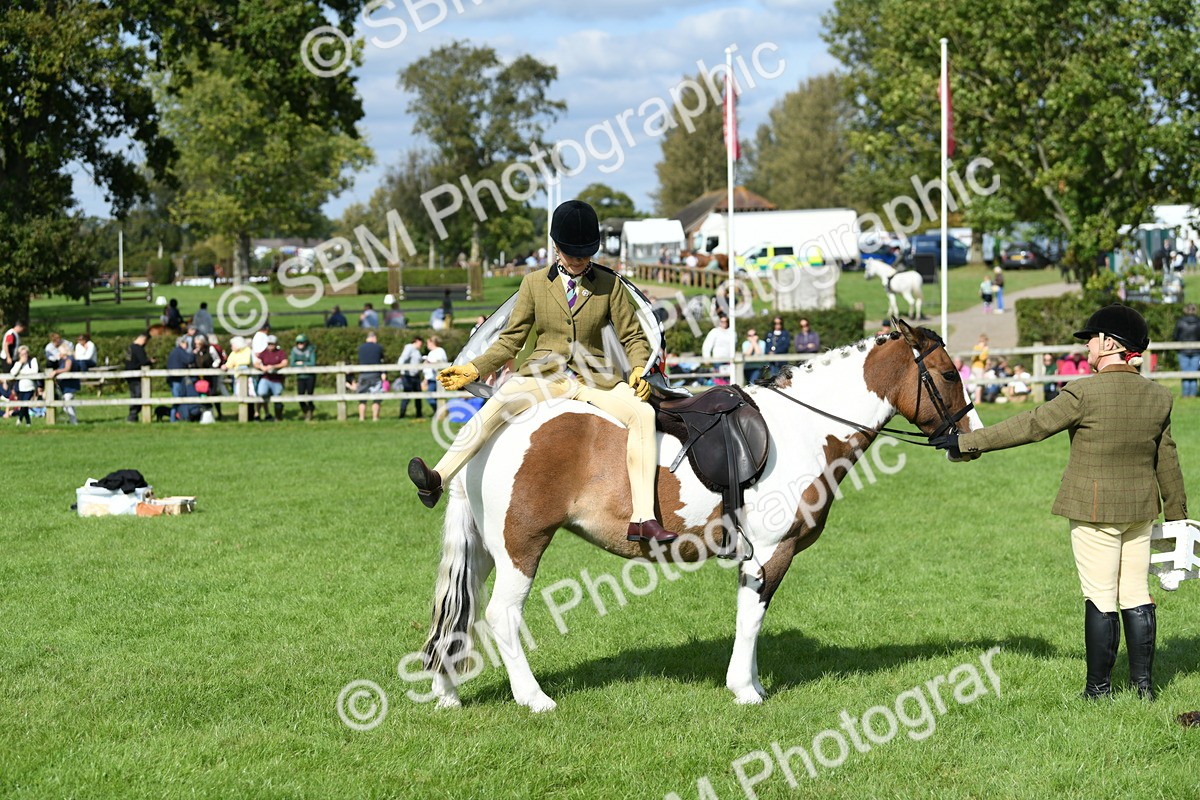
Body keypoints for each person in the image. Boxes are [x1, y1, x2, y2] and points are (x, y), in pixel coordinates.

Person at [945, 304, 1188, 701]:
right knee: (1136, 594)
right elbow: (1168, 459)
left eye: (1091, 339)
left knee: (1100, 595)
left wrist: (966, 441)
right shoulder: (1158, 396)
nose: (1087, 346)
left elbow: (1031, 425)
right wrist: (1178, 520)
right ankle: (1144, 688)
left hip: (1094, 511)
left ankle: (1098, 690)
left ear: (1109, 344)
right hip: (1141, 512)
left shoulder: (1083, 391)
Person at [408, 199, 679, 544]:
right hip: (543, 375)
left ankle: (643, 518)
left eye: (586, 252)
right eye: (572, 252)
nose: (580, 259)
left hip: (596, 379)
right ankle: (438, 478)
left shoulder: (610, 285)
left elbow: (632, 336)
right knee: (499, 402)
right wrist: (473, 368)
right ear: (555, 246)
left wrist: (639, 368)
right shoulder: (533, 284)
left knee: (642, 413)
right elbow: (510, 341)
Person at [222, 336, 257, 421]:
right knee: (240, 396)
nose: (231, 347)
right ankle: (244, 416)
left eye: (232, 345)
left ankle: (251, 416)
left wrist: (238, 365)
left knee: (250, 396)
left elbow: (247, 362)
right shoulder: (233, 353)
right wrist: (225, 366)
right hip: (238, 378)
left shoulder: (248, 351)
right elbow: (229, 363)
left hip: (248, 378)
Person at [254, 335, 287, 421]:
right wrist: (262, 367)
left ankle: (278, 417)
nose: (270, 346)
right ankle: (265, 413)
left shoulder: (281, 353)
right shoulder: (264, 353)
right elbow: (256, 363)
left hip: (277, 379)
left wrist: (274, 367)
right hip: (266, 377)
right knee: (261, 393)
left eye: (272, 344)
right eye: (269, 344)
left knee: (277, 398)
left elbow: (284, 363)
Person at [124, 332, 154, 422]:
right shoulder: (138, 349)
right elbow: (143, 361)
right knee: (138, 395)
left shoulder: (130, 347)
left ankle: (133, 415)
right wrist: (150, 361)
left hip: (129, 374)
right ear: (144, 339)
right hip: (136, 375)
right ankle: (133, 415)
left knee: (134, 394)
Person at [1172, 303, 1200, 398]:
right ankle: (1193, 394)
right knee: (1194, 372)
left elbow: (1175, 336)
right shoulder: (1199, 322)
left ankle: (1185, 394)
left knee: (1185, 372)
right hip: (1196, 351)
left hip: (1183, 351)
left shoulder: (1180, 321)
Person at [357, 330, 385, 421]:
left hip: (363, 374)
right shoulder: (378, 347)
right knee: (376, 397)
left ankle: (361, 418)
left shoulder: (361, 348)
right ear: (374, 338)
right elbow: (381, 360)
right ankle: (375, 417)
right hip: (375, 374)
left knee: (362, 397)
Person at [166, 335, 196, 422]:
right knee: (178, 398)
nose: (187, 345)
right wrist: (193, 353)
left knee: (177, 398)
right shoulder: (179, 351)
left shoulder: (175, 351)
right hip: (176, 379)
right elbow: (189, 359)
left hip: (173, 378)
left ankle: (176, 417)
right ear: (181, 343)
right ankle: (173, 419)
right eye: (185, 343)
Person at [193, 334, 222, 420]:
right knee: (203, 393)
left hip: (212, 375)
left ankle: (219, 413)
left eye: (198, 343)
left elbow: (217, 359)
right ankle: (206, 412)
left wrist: (213, 367)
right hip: (202, 376)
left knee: (213, 393)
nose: (196, 345)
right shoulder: (196, 351)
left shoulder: (210, 349)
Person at [701, 314, 736, 385]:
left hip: (729, 359)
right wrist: (706, 358)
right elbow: (707, 345)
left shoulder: (732, 332)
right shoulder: (714, 331)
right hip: (718, 359)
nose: (723, 323)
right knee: (719, 379)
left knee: (729, 379)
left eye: (725, 321)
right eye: (722, 321)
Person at [289, 334, 317, 421]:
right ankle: (306, 411)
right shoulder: (294, 351)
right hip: (300, 376)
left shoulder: (310, 350)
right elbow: (292, 364)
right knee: (300, 396)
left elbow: (312, 363)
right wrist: (303, 364)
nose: (300, 344)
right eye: (298, 343)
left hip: (310, 376)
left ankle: (310, 411)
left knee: (309, 395)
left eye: (302, 343)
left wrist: (301, 363)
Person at [397, 335, 425, 419]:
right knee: (407, 395)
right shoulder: (409, 348)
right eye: (420, 342)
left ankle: (419, 414)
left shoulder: (417, 351)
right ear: (416, 341)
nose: (421, 344)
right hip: (407, 376)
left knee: (418, 396)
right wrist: (401, 369)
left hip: (415, 375)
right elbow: (403, 358)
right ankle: (402, 415)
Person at [9, 346, 38, 426]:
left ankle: (19, 420)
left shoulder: (32, 360)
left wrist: (22, 373)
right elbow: (13, 372)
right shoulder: (18, 363)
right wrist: (20, 363)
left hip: (30, 387)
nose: (24, 356)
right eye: (22, 354)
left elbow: (34, 371)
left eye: (25, 354)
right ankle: (28, 422)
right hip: (20, 388)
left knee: (25, 404)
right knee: (23, 405)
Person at [53, 343, 80, 425]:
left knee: (66, 404)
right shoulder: (63, 361)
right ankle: (74, 421)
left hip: (70, 385)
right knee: (69, 404)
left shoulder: (69, 359)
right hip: (65, 386)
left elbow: (67, 369)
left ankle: (73, 421)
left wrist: (55, 372)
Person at [423, 335, 448, 414]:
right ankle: (441, 412)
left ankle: (439, 412)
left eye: (428, 343)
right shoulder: (431, 353)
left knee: (430, 396)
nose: (427, 345)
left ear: (432, 342)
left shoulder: (440, 351)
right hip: (431, 378)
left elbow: (440, 363)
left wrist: (430, 362)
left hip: (437, 378)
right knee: (434, 396)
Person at [970, 334, 989, 403]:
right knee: (979, 384)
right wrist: (985, 350)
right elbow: (982, 358)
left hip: (979, 368)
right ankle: (977, 400)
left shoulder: (976, 347)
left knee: (981, 384)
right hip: (978, 368)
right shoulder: (979, 348)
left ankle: (980, 399)